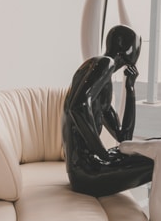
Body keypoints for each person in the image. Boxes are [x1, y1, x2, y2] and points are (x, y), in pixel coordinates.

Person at [62, 24, 155, 197]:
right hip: (85, 172)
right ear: (127, 48)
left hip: (88, 167)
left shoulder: (102, 78)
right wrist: (103, 154)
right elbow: (78, 107)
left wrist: (130, 88)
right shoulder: (104, 63)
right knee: (159, 159)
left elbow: (124, 137)